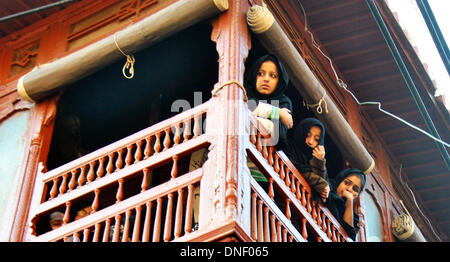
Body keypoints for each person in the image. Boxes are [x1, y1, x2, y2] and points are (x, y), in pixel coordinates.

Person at [244, 54, 293, 150]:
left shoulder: (283, 102)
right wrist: (277, 112)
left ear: (279, 81)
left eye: (273, 76)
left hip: (259, 158)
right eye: (260, 74)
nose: (266, 79)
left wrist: (250, 117)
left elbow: (279, 135)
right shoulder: (244, 90)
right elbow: (246, 106)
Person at [284, 118, 330, 202]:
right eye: (308, 135)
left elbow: (323, 196)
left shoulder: (315, 159)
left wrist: (319, 161)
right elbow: (294, 167)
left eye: (316, 139)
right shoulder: (288, 145)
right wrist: (319, 183)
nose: (310, 141)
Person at [325, 168, 366, 241]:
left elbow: (351, 236)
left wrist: (349, 203)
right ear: (340, 181)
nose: (349, 189)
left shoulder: (355, 220)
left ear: (357, 195)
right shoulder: (326, 188)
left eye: (355, 189)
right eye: (347, 183)